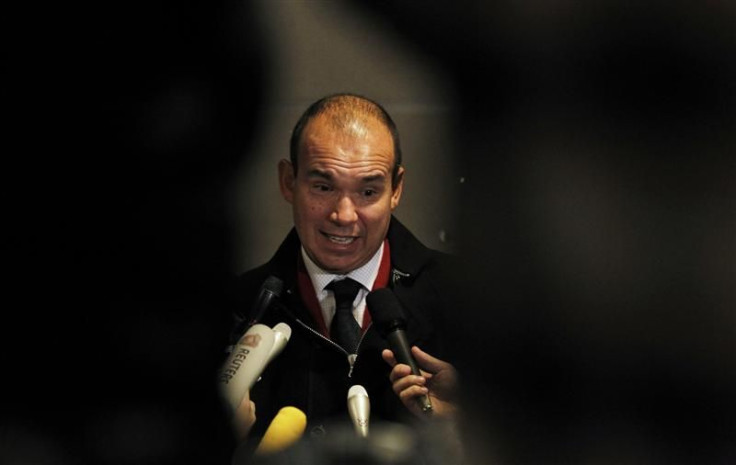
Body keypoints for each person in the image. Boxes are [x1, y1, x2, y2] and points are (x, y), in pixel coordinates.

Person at [225, 93, 461, 455]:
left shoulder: (467, 300)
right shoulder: (233, 307)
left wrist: (463, 429)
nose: (344, 215)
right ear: (289, 181)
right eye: (323, 187)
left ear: (396, 189)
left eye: (368, 191)